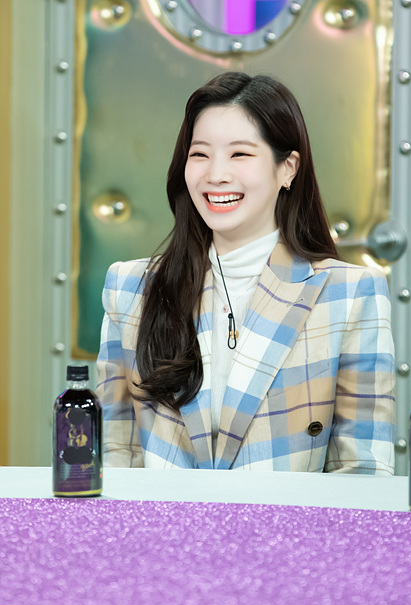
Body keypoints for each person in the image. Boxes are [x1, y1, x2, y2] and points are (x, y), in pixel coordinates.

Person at [96, 71, 395, 474]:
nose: (216, 174)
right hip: (161, 516)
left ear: (288, 168)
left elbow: (362, 470)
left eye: (239, 154)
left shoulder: (349, 293)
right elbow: (113, 453)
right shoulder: (132, 288)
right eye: (199, 154)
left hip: (290, 518)